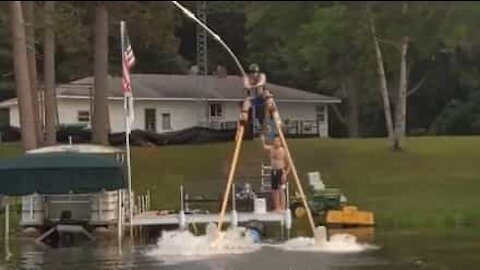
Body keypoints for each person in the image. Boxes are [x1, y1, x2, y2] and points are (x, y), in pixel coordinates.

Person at [260, 133, 290, 212]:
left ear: (281, 142)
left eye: (278, 141)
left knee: (281, 189)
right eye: (275, 141)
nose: (276, 142)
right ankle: (277, 207)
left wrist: (285, 173)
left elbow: (289, 163)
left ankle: (283, 207)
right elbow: (264, 147)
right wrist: (263, 140)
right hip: (273, 171)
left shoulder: (283, 150)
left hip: (281, 171)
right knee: (274, 190)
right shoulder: (271, 148)